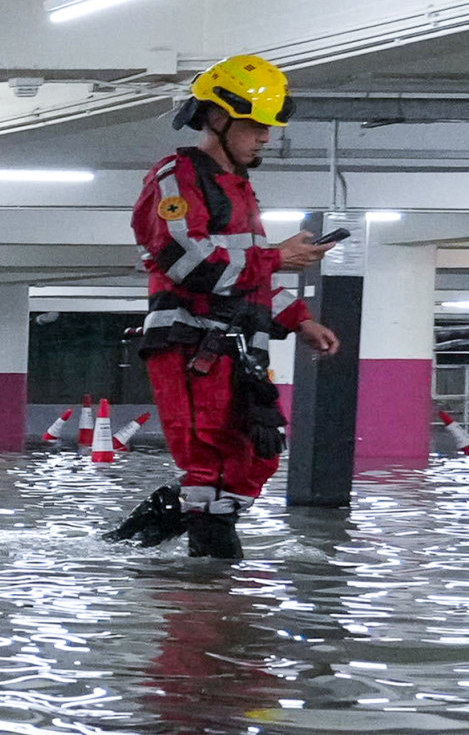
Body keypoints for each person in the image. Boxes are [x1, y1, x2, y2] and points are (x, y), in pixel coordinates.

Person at [108, 51, 340, 561]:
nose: (266, 136)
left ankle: (127, 552)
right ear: (217, 117)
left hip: (237, 349)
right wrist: (277, 256)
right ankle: (211, 594)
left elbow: (246, 276)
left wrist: (299, 320)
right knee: (209, 471)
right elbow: (188, 263)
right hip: (194, 347)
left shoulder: (239, 190)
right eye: (257, 125)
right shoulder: (176, 176)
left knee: (255, 453)